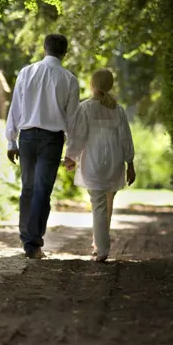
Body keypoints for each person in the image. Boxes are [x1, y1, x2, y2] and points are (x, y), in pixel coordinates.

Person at [6, 34, 80, 259]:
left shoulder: (26, 72)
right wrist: (72, 152)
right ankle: (33, 243)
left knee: (27, 188)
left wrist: (11, 140)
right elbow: (73, 119)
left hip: (26, 138)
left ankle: (27, 238)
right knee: (41, 190)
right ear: (64, 53)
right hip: (52, 140)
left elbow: (15, 108)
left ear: (44, 49)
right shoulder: (69, 79)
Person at [64, 68, 136, 262]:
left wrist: (70, 156)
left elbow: (78, 136)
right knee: (106, 204)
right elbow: (125, 138)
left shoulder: (85, 108)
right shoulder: (117, 109)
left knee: (98, 205)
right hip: (115, 160)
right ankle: (99, 244)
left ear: (92, 85)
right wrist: (130, 163)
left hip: (93, 160)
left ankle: (102, 249)